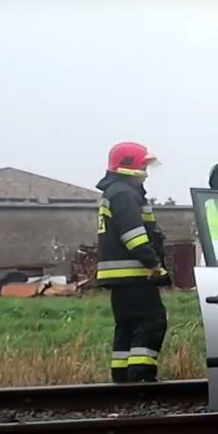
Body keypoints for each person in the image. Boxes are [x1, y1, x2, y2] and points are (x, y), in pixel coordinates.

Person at [94, 141, 169, 383]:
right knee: (152, 322)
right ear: (130, 167)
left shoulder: (115, 191)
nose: (146, 172)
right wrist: (154, 264)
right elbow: (133, 235)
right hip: (135, 274)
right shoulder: (125, 193)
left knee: (126, 326)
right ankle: (140, 378)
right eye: (144, 166)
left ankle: (122, 377)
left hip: (120, 278)